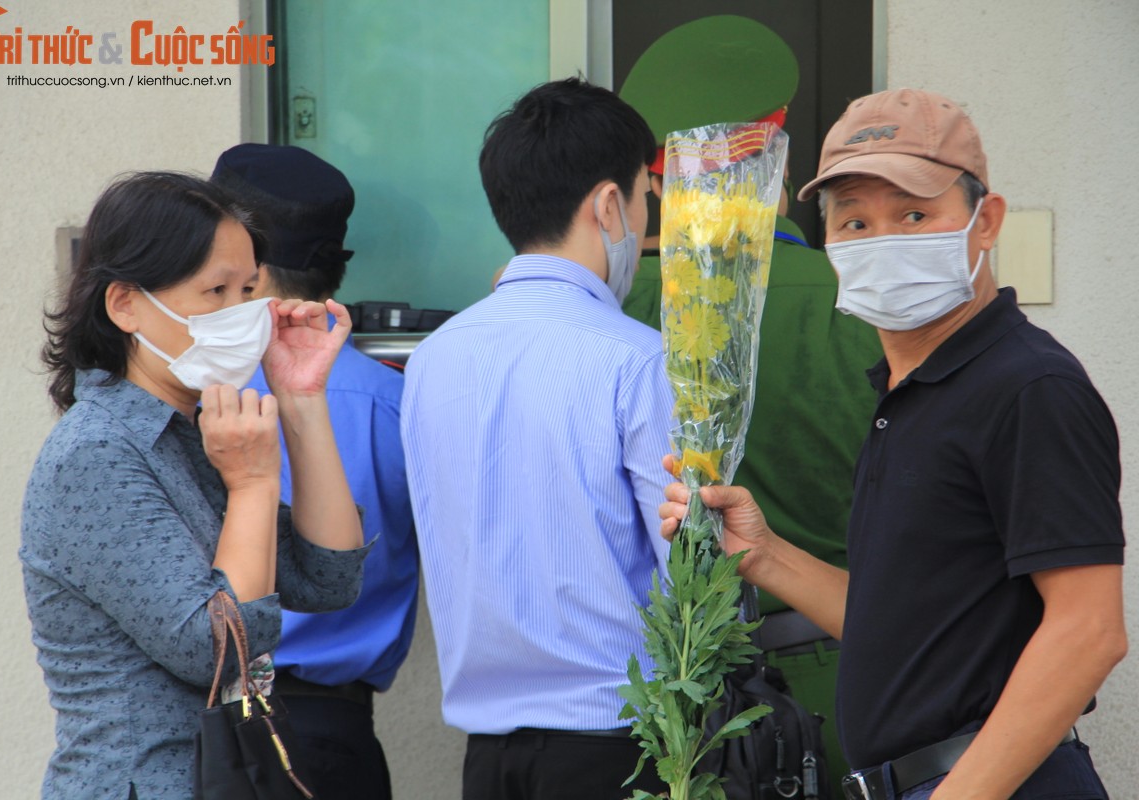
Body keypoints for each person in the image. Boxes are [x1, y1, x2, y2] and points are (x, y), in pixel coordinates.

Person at [658, 88, 1127, 800]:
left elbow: (1088, 631)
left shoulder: (1027, 387)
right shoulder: (907, 394)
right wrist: (762, 555)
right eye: (855, 221)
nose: (883, 241)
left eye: (914, 214)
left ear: (984, 221)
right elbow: (901, 626)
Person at [21, 171, 369, 800]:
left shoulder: (193, 428)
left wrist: (300, 397)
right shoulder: (97, 450)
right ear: (125, 303)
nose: (239, 314)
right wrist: (255, 484)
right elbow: (216, 652)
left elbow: (329, 577)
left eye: (248, 290)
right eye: (215, 290)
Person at [617, 17, 883, 788]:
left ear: (657, 174)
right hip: (865, 673)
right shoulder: (871, 301)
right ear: (780, 145)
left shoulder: (621, 311)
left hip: (689, 706)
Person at [401, 77, 673, 800]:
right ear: (609, 204)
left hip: (487, 756)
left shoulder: (431, 359)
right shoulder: (637, 357)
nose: (646, 225)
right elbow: (690, 572)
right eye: (646, 198)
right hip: (619, 747)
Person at [211, 143, 419, 800]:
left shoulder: (194, 393)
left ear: (248, 261)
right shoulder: (399, 405)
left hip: (220, 727)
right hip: (339, 737)